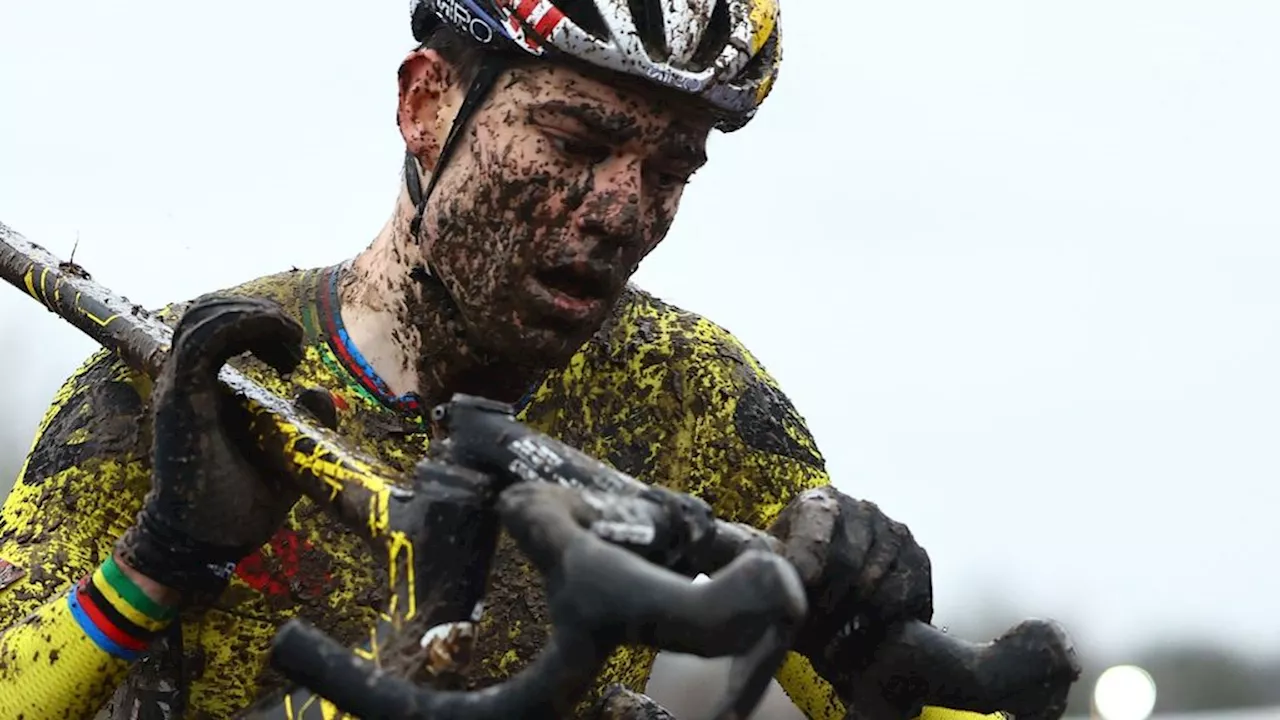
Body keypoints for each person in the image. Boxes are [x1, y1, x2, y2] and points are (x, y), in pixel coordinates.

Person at [0, 2, 1000, 718]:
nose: (620, 210)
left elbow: (877, 680)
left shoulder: (693, 394)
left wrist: (880, 656)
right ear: (426, 104)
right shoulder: (179, 382)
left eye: (668, 169)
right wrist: (160, 559)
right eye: (572, 140)